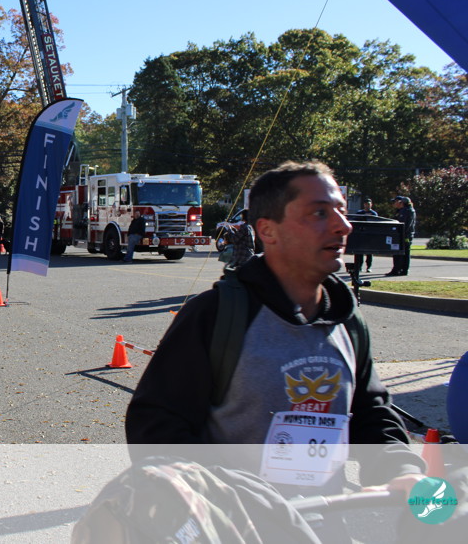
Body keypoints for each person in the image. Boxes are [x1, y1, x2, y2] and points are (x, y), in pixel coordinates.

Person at [125, 162, 425, 526]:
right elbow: (155, 426)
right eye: (319, 213)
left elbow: (372, 412)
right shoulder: (217, 315)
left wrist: (401, 468)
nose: (343, 226)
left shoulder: (347, 320)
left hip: (325, 527)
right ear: (267, 230)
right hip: (236, 529)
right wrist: (214, 500)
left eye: (342, 211)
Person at [387, 196, 416, 276]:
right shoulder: (406, 210)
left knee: (400, 252)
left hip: (404, 235)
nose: (394, 204)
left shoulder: (406, 211)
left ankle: (398, 269)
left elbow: (404, 224)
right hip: (405, 235)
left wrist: (401, 234)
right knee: (403, 252)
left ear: (402, 203)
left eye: (396, 202)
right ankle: (401, 269)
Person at [354, 198, 377, 272]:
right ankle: (359, 266)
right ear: (364, 204)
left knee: (369, 252)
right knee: (359, 252)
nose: (367, 206)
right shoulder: (359, 213)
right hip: (360, 234)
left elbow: (375, 223)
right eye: (366, 204)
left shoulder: (373, 214)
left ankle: (369, 267)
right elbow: (355, 221)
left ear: (371, 205)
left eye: (369, 204)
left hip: (369, 234)